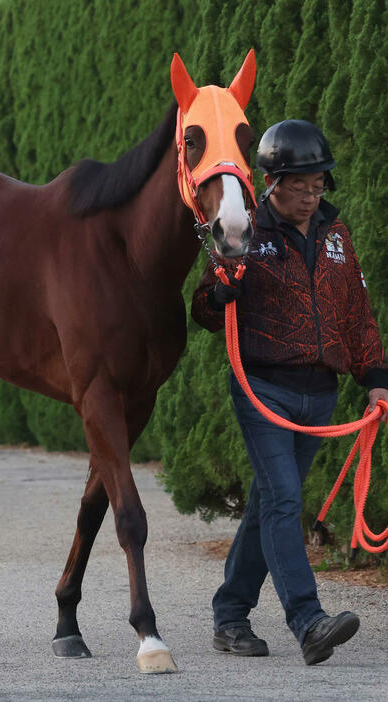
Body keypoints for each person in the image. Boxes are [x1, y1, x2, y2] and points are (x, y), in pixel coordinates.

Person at [190, 119, 388, 666]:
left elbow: (356, 314)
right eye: (299, 185)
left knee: (266, 505)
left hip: (319, 396)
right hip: (264, 391)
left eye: (318, 183)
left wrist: (375, 381)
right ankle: (308, 621)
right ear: (272, 181)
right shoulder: (244, 231)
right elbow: (203, 310)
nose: (310, 194)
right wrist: (223, 288)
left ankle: (230, 615)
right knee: (283, 500)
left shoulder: (335, 235)